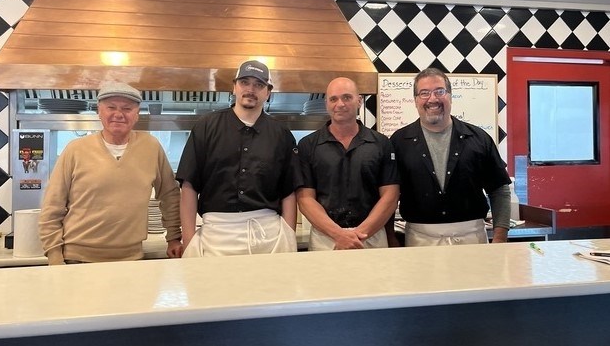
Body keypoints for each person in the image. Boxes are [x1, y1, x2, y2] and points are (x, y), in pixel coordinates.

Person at [39, 82, 182, 265]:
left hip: (132, 259)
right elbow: (52, 205)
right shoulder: (75, 150)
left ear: (137, 114)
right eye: (111, 107)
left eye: (127, 108)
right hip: (77, 259)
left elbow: (170, 194)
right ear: (99, 111)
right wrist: (54, 254)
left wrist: (173, 236)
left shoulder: (151, 147)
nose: (118, 114)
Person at [176, 60, 299, 257]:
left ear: (268, 92)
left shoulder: (281, 134)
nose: (251, 89)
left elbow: (288, 192)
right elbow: (189, 186)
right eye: (245, 82)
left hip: (269, 236)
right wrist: (189, 240)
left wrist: (288, 235)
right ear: (234, 86)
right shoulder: (206, 127)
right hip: (216, 236)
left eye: (259, 85)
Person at [390, 68, 511, 246]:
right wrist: (390, 238)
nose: (433, 99)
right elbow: (388, 195)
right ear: (415, 100)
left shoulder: (478, 138)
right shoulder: (399, 142)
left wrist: (500, 237)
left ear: (450, 96)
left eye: (440, 91)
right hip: (419, 241)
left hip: (472, 240)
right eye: (424, 93)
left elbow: (499, 190)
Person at [297, 77, 399, 250]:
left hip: (370, 236)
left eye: (347, 97)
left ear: (359, 101)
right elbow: (305, 198)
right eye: (333, 99)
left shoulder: (382, 144)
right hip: (326, 238)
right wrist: (338, 234)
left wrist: (358, 235)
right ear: (326, 104)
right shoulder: (308, 145)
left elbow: (390, 196)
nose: (340, 104)